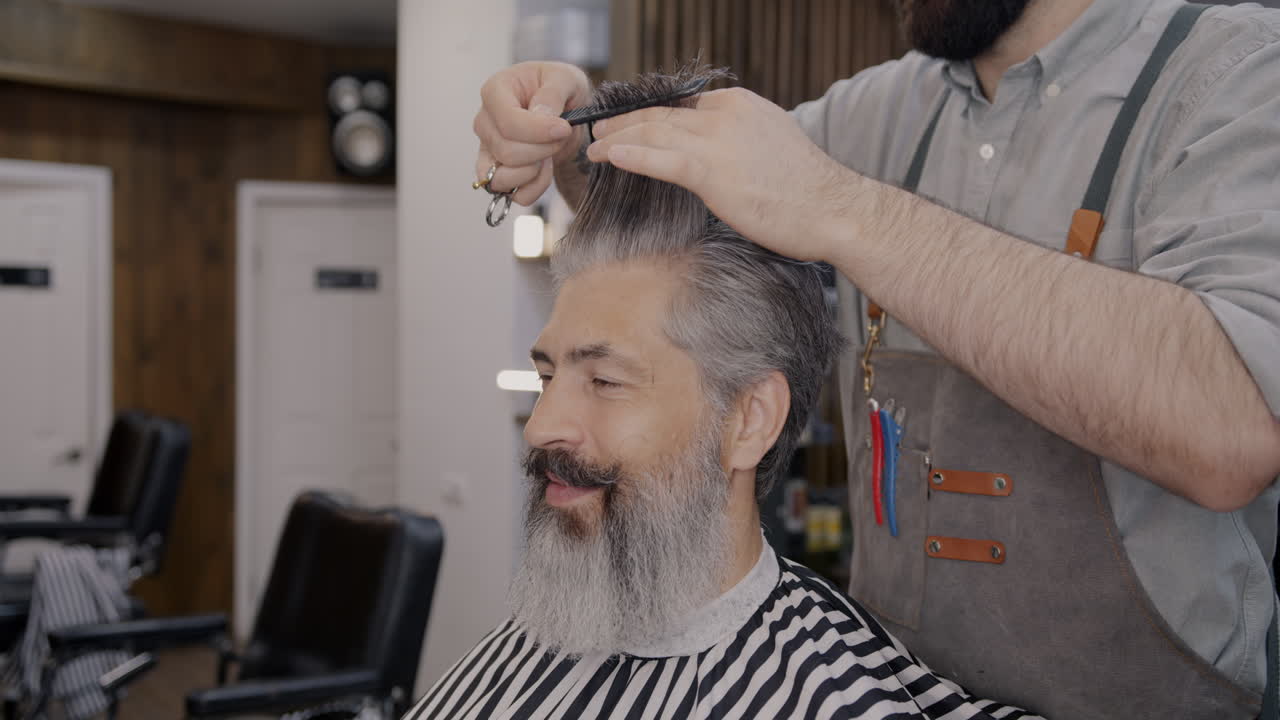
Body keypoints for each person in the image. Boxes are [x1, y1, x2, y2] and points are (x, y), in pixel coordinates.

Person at [471, 1, 1280, 717]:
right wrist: (571, 133)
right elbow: (679, 249)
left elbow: (1235, 427)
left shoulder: (1231, 72)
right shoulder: (879, 111)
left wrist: (841, 208)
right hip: (890, 692)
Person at [409, 69, 1042, 720]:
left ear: (750, 419)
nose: (541, 427)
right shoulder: (527, 643)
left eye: (604, 381)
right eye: (549, 377)